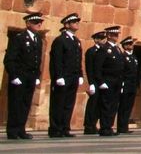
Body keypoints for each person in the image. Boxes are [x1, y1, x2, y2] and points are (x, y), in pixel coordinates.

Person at [4, 12, 44, 140]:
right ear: (28, 23)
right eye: (35, 22)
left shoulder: (38, 39)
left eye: (40, 22)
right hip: (19, 76)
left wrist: (37, 75)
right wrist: (14, 75)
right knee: (16, 103)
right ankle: (12, 130)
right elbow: (10, 59)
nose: (39, 24)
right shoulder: (19, 38)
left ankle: (21, 129)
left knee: (26, 103)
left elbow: (38, 60)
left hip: (31, 76)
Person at [48, 13, 83, 138]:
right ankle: (55, 128)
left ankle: (64, 127)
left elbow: (78, 59)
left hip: (73, 77)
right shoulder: (60, 40)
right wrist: (58, 76)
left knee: (69, 103)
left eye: (77, 21)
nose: (77, 23)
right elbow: (57, 60)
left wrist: (80, 74)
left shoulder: (76, 41)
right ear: (66, 25)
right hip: (63, 77)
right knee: (58, 103)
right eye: (74, 22)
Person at [96, 26, 124, 137]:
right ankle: (104, 127)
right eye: (114, 35)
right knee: (106, 105)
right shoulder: (104, 48)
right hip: (107, 81)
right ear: (108, 35)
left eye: (117, 34)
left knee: (113, 105)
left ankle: (110, 126)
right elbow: (98, 66)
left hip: (116, 81)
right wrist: (101, 81)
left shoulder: (117, 49)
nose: (116, 36)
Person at [82, 30, 105, 134]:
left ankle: (94, 123)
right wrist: (91, 83)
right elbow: (89, 68)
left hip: (101, 81)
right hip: (94, 81)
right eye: (101, 38)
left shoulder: (103, 51)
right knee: (93, 103)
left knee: (99, 104)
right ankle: (88, 125)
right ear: (96, 40)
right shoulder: (91, 51)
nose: (103, 40)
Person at [117, 36, 139, 133]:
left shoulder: (133, 57)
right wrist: (121, 85)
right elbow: (121, 72)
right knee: (123, 107)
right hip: (125, 85)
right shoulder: (122, 56)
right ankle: (121, 127)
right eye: (129, 44)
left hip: (132, 85)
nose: (131, 46)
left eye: (132, 44)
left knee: (129, 107)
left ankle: (125, 126)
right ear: (125, 46)